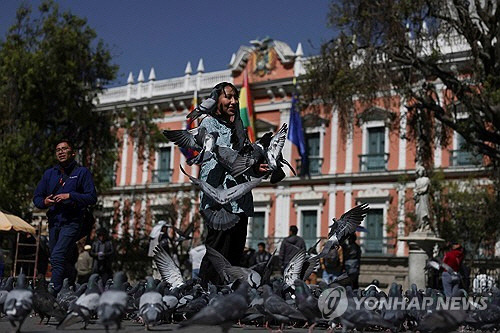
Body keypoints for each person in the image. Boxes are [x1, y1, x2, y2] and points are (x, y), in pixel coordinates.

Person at [197, 82, 268, 285]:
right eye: (228, 97)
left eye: (235, 97)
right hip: (220, 199)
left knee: (235, 253)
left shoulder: (239, 127)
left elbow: (245, 158)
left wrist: (257, 167)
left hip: (241, 200)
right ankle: (204, 296)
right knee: (217, 252)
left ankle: (227, 299)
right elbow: (220, 154)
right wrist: (245, 161)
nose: (233, 101)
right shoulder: (208, 124)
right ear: (216, 99)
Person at [33, 139, 97, 293]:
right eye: (58, 150)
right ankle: (67, 289)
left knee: (57, 255)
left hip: (72, 221)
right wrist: (45, 202)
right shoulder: (50, 174)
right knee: (59, 259)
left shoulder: (82, 172)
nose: (61, 152)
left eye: (64, 149)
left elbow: (92, 198)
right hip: (54, 221)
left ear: (72, 152)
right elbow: (37, 198)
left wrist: (71, 195)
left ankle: (53, 291)